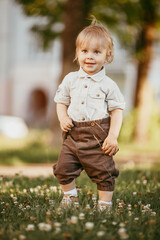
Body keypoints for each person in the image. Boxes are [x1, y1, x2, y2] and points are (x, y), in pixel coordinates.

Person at [53, 20, 125, 211]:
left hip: (98, 137)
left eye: (96, 52)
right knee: (63, 168)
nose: (90, 57)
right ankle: (70, 197)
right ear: (77, 53)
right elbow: (61, 101)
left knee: (104, 172)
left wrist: (113, 136)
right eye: (84, 51)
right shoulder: (70, 79)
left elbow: (116, 111)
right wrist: (63, 118)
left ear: (107, 55)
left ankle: (104, 204)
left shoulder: (109, 85)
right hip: (73, 134)